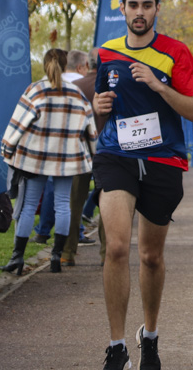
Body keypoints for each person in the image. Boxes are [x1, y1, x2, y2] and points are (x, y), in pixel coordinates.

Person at [91, 0, 193, 370]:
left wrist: (160, 88)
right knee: (118, 247)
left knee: (152, 256)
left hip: (162, 159)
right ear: (121, 8)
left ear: (157, 8)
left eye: (146, 5)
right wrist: (98, 108)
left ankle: (150, 337)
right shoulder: (106, 53)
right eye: (132, 5)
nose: (139, 12)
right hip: (116, 155)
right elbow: (99, 114)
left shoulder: (176, 53)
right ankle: (116, 345)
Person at [0, 48, 97, 276]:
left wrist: (7, 149)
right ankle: (56, 256)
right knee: (63, 205)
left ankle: (17, 257)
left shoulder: (35, 91)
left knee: (28, 206)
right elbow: (90, 131)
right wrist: (93, 156)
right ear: (65, 67)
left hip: (35, 158)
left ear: (45, 65)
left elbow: (17, 125)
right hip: (67, 158)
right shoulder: (76, 94)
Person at [75, 47, 108, 267]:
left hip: (79, 151)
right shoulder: (110, 86)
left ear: (88, 65)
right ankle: (107, 254)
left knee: (74, 201)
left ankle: (67, 251)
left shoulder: (75, 86)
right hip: (107, 150)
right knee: (108, 202)